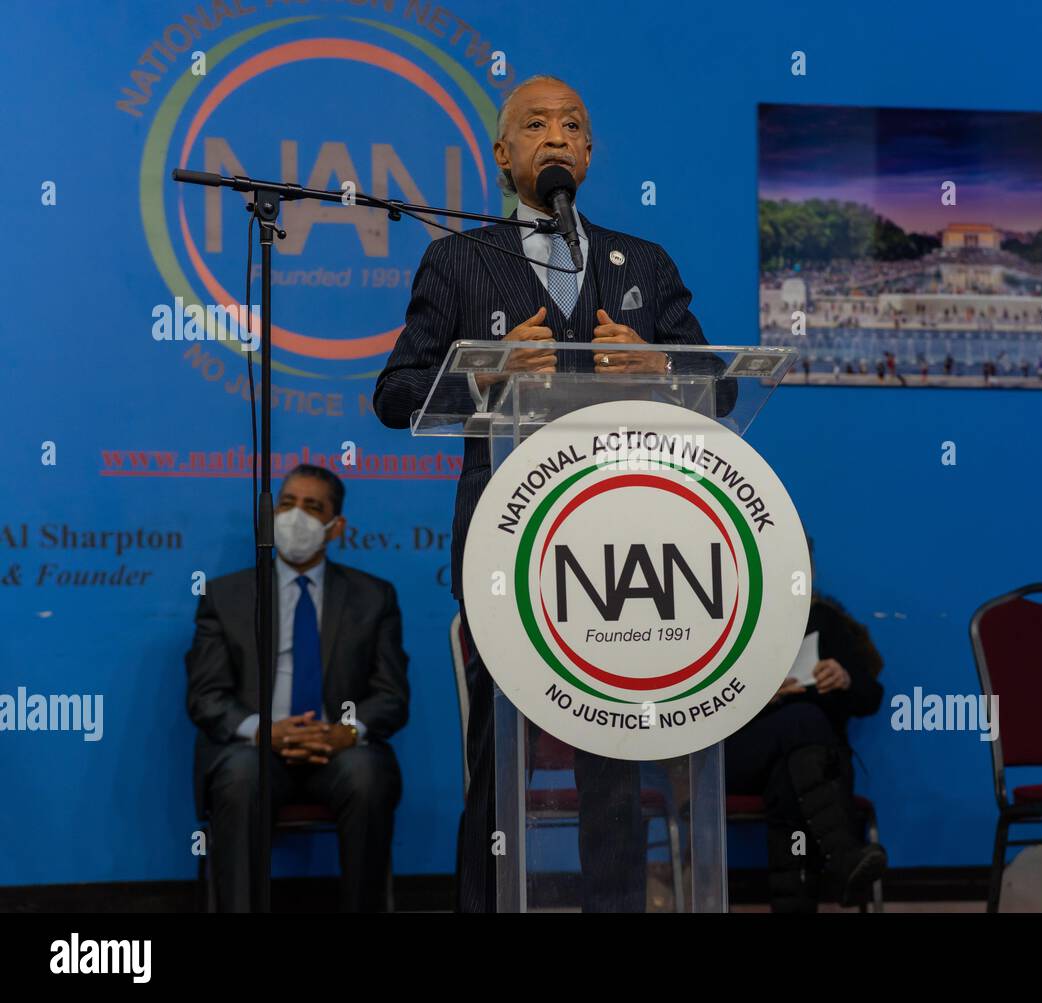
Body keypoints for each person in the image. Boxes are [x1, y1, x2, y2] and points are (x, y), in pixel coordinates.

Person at [372, 75, 725, 913]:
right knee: (501, 758)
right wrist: (483, 374)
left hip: (625, 549)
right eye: (535, 124)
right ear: (502, 154)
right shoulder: (458, 259)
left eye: (573, 125)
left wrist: (660, 365)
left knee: (614, 755)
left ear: (592, 153)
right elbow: (394, 394)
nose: (556, 137)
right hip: (506, 544)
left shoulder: (643, 262)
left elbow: (721, 386)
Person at [185, 464, 410, 912]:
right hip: (253, 750)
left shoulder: (373, 597)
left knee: (367, 776)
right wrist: (264, 731)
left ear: (335, 526)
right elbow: (205, 696)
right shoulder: (225, 596)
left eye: (312, 507)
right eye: (286, 504)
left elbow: (391, 695)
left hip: (340, 751)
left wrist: (344, 732)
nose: (295, 516)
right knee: (241, 777)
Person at [725, 540, 887, 912]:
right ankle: (843, 858)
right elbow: (704, 707)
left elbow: (871, 697)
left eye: (807, 566)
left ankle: (815, 886)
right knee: (805, 720)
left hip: (814, 767)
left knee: (796, 770)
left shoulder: (826, 620)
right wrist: (755, 697)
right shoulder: (734, 623)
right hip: (748, 756)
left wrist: (845, 678)